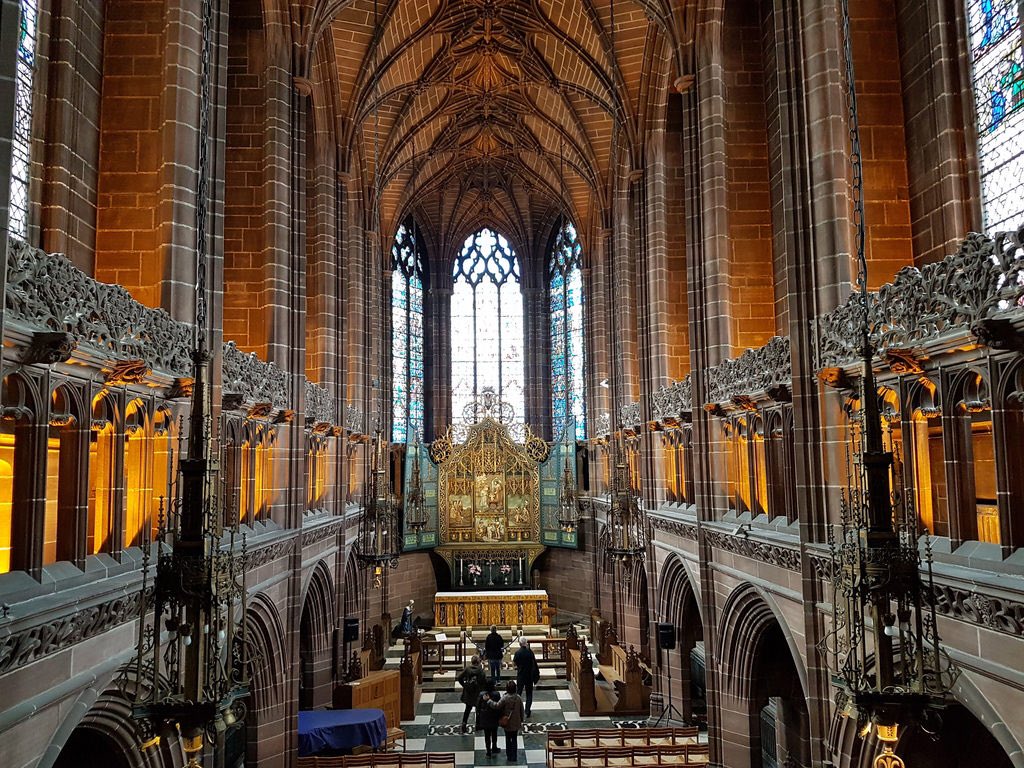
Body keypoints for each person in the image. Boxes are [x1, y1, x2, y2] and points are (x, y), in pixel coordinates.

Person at [489, 680, 524, 763]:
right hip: (515, 723)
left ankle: (509, 756)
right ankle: (514, 756)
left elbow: (497, 706)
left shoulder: (505, 698)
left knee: (508, 739)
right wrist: (521, 720)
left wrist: (489, 701)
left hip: (507, 723)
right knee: (514, 739)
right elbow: (521, 710)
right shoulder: (518, 698)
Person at [457, 655, 487, 733]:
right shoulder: (481, 670)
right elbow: (484, 682)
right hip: (478, 692)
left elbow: (459, 678)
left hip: (469, 692)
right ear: (478, 662)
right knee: (478, 709)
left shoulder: (467, 669)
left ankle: (464, 723)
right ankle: (478, 725)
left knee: (467, 709)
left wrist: (464, 685)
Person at [512, 637, 539, 718]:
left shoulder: (518, 652)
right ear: (526, 643)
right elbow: (534, 663)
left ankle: (517, 710)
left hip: (521, 675)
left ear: (520, 644)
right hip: (529, 676)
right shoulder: (530, 652)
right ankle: (527, 711)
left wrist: (518, 667)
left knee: (518, 693)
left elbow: (514, 664)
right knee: (529, 694)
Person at [475, 679, 501, 757]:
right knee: (494, 733)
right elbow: (499, 706)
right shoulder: (496, 694)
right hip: (494, 717)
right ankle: (494, 747)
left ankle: (488, 750)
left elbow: (478, 707)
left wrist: (478, 717)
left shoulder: (481, 694)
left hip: (485, 718)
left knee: (487, 735)